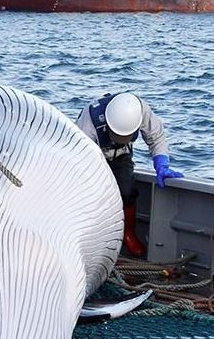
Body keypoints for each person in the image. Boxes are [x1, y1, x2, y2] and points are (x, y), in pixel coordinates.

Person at [76, 92, 183, 257]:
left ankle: (128, 233)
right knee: (93, 198)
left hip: (121, 156)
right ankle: (92, 240)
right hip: (91, 158)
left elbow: (156, 136)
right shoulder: (89, 122)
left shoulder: (140, 110)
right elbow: (78, 155)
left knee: (128, 192)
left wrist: (161, 164)